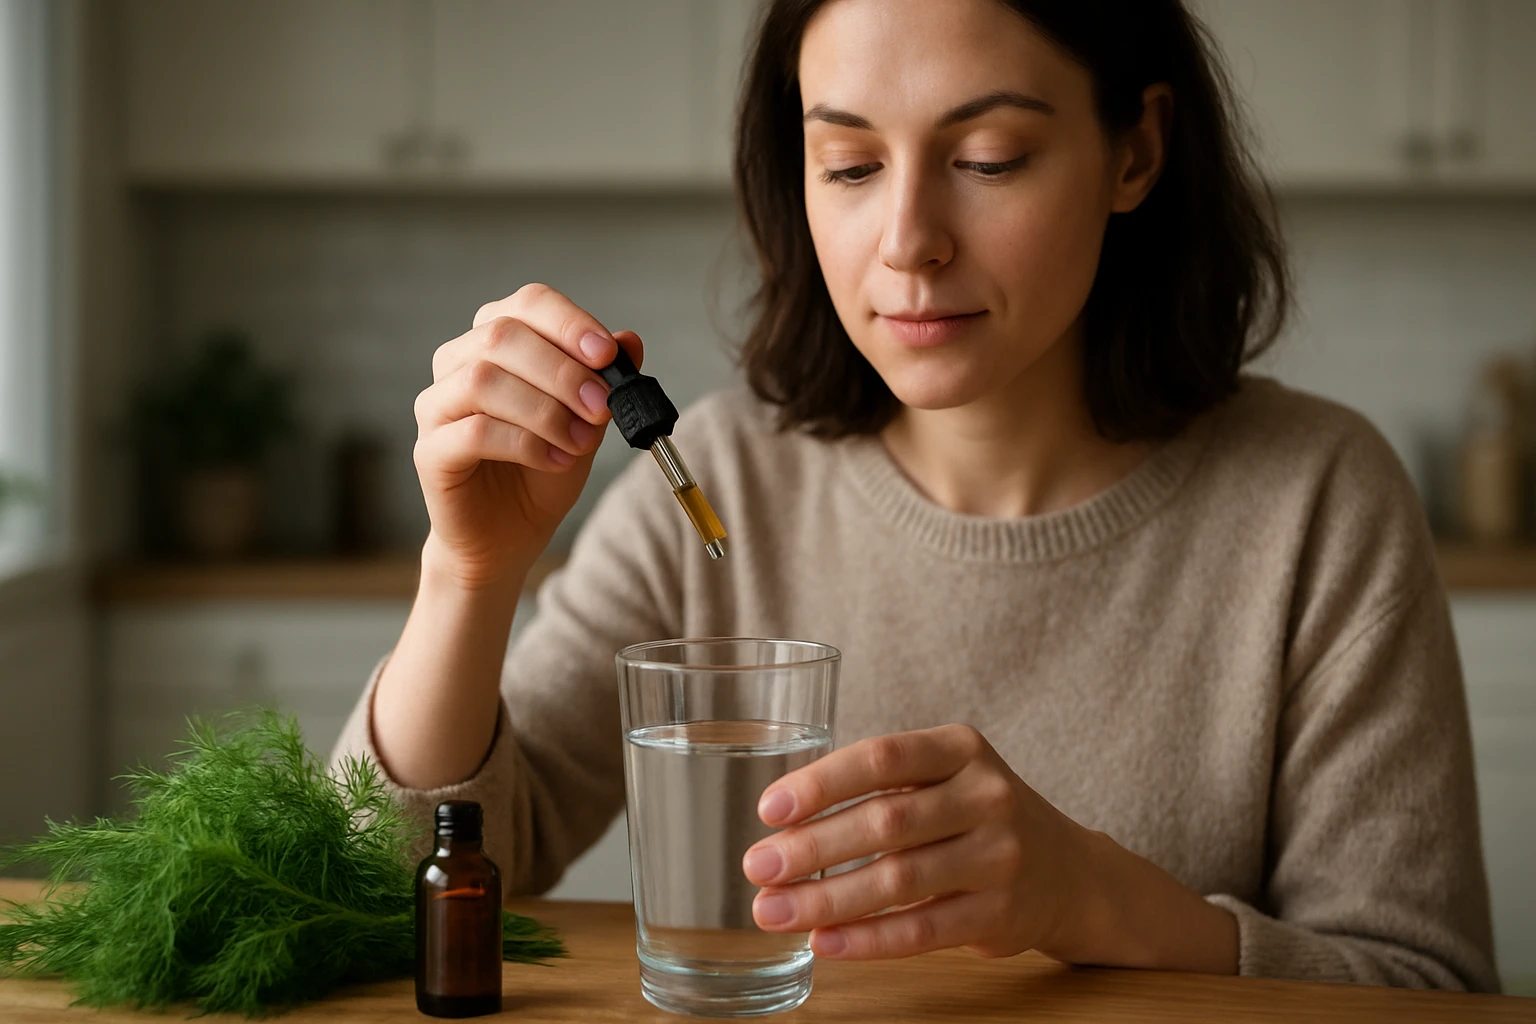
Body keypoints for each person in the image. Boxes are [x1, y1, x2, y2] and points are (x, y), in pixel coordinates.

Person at [331, 0, 1499, 992]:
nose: (906, 242)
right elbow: (373, 899)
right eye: (847, 165)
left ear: (1136, 151)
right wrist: (467, 578)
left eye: (987, 158)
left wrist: (1093, 899)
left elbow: (1429, 990)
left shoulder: (1318, 500)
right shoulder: (721, 487)